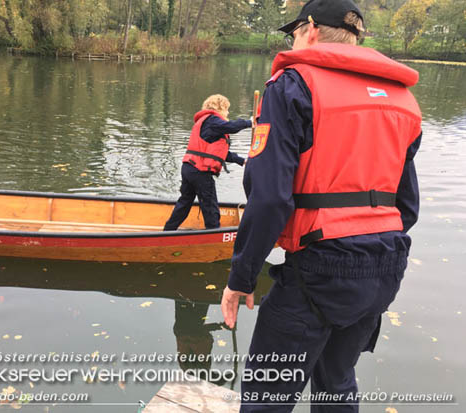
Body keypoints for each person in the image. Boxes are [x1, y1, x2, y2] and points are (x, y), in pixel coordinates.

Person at [220, 0, 422, 411]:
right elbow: (408, 205)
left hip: (318, 267)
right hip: (384, 265)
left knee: (266, 397)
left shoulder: (293, 85)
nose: (292, 39)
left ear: (310, 28)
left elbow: (270, 198)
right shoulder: (402, 100)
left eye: (292, 30)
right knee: (337, 385)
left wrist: (241, 278)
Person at [164, 94, 251, 230]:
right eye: (227, 109)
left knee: (184, 203)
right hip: (200, 171)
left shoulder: (207, 122)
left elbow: (216, 153)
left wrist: (242, 161)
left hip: (188, 168)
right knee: (210, 206)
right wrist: (250, 122)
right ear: (220, 107)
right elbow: (232, 126)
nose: (228, 112)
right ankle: (213, 233)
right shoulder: (213, 121)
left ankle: (168, 231)